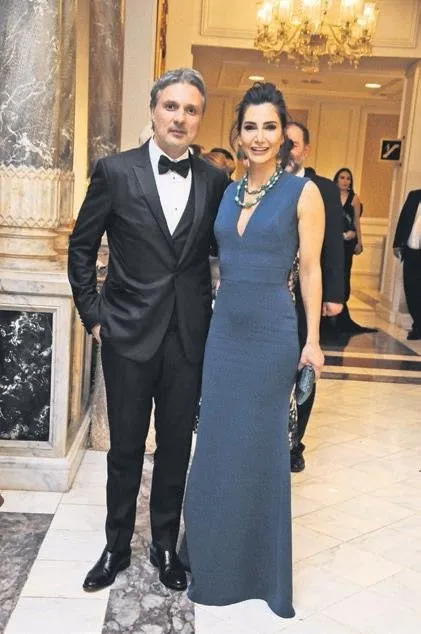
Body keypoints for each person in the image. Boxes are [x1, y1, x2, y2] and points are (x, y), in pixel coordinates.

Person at [68, 68, 228, 593]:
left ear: (200, 118)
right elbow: (81, 248)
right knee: (125, 448)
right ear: (154, 110)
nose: (180, 117)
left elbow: (226, 252)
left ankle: (163, 545)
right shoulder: (115, 172)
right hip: (127, 334)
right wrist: (94, 316)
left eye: (191, 109)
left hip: (188, 337)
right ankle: (116, 546)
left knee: (177, 447)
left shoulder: (214, 181)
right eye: (171, 106)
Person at [183, 82, 325, 618]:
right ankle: (211, 557)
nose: (260, 136)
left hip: (270, 336)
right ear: (238, 134)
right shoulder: (227, 191)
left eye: (270, 126)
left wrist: (313, 341)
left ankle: (261, 573)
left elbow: (310, 270)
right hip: (224, 334)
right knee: (217, 446)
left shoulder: (303, 193)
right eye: (250, 126)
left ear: (283, 134)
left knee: (260, 452)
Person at [285, 122, 344, 472]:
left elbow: (333, 243)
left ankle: (295, 442)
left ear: (306, 150)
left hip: (306, 292)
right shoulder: (265, 184)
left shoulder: (322, 189)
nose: (286, 150)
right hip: (273, 293)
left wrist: (334, 294)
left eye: (293, 144)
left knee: (304, 365)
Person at [333, 167, 377, 333]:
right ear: (336, 179)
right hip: (332, 242)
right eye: (342, 177)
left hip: (347, 243)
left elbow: (357, 221)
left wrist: (359, 241)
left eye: (348, 178)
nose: (345, 181)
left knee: (344, 274)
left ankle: (342, 312)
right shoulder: (330, 196)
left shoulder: (354, 198)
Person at [393, 189, 421, 340]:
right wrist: (397, 243)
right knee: (410, 287)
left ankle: (418, 327)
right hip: (411, 250)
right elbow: (403, 218)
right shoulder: (414, 195)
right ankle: (418, 322)